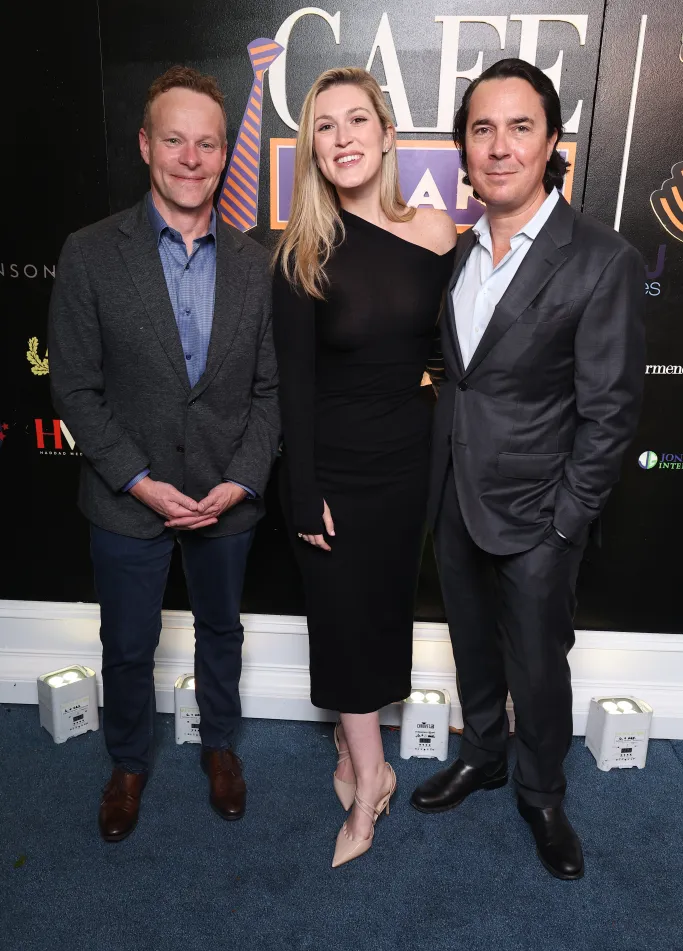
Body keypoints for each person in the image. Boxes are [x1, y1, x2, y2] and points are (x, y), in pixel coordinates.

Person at [410, 58, 645, 880]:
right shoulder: (456, 252)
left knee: (538, 669)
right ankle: (484, 753)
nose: (499, 147)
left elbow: (610, 410)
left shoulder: (599, 258)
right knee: (469, 643)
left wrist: (563, 525)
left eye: (519, 128)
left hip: (541, 513)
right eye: (481, 130)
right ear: (463, 151)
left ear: (552, 145)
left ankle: (541, 793)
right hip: (455, 498)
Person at [48, 66, 279, 841]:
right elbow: (74, 389)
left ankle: (220, 748)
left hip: (225, 498)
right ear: (147, 145)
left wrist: (242, 479)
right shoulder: (88, 253)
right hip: (126, 497)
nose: (191, 157)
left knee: (222, 630)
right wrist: (139, 481)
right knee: (127, 642)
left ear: (223, 155)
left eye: (206, 143)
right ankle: (128, 763)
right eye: (174, 140)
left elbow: (270, 392)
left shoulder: (256, 263)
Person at [272, 67, 457, 867]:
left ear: (387, 135)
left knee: (382, 616)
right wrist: (302, 492)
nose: (342, 137)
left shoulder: (437, 231)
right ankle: (371, 781)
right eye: (324, 126)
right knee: (341, 622)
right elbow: (295, 389)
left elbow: (466, 349)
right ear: (311, 148)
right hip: (334, 471)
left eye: (357, 121)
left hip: (409, 465)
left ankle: (355, 755)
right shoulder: (301, 251)